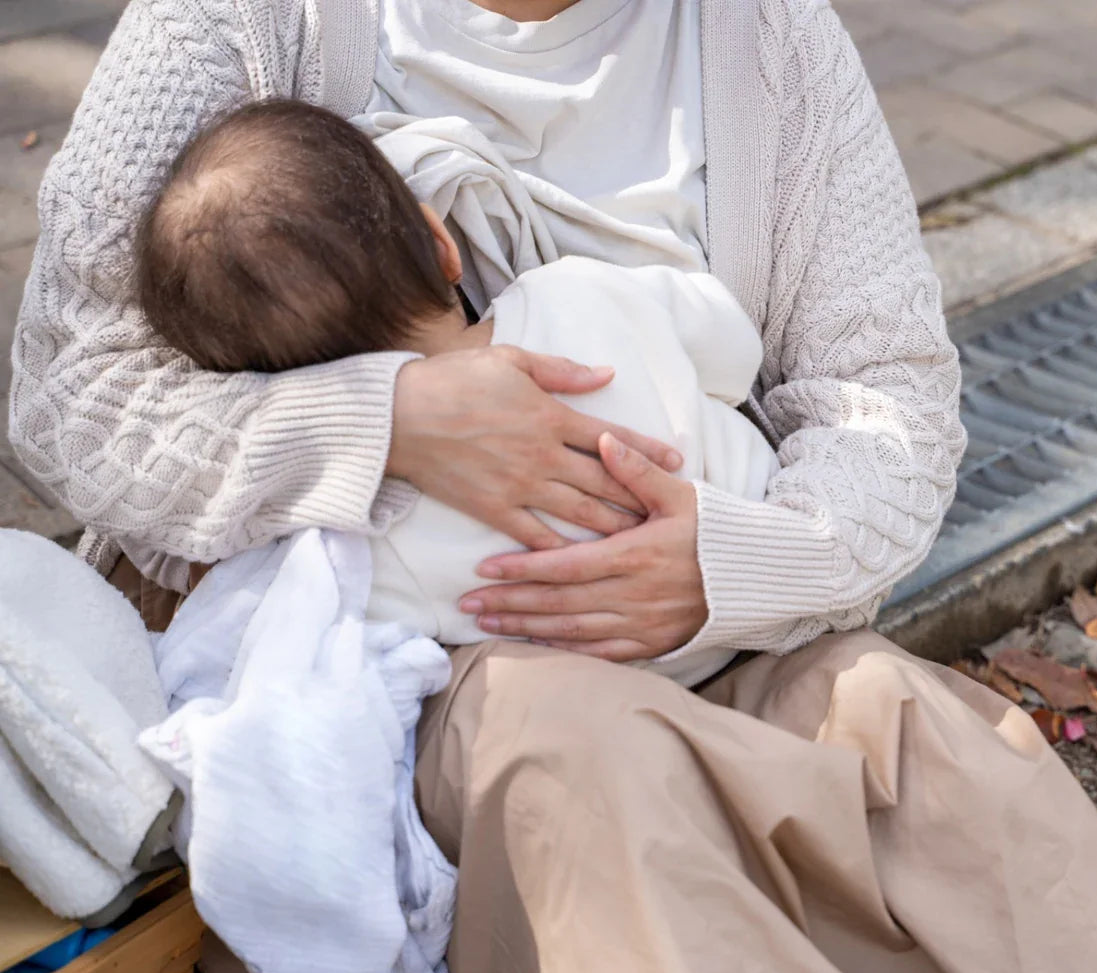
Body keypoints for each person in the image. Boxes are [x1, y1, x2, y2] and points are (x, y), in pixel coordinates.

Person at [8, 0, 1097, 973]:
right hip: (382, 658)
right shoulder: (250, 16)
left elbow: (891, 402)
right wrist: (391, 420)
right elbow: (67, 394)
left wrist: (725, 562)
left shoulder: (768, 44)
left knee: (909, 733)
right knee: (590, 761)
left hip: (696, 604)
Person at [135, 98, 776, 683]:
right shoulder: (581, 290)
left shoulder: (373, 542)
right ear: (443, 245)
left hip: (637, 684)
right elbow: (735, 352)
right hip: (751, 567)